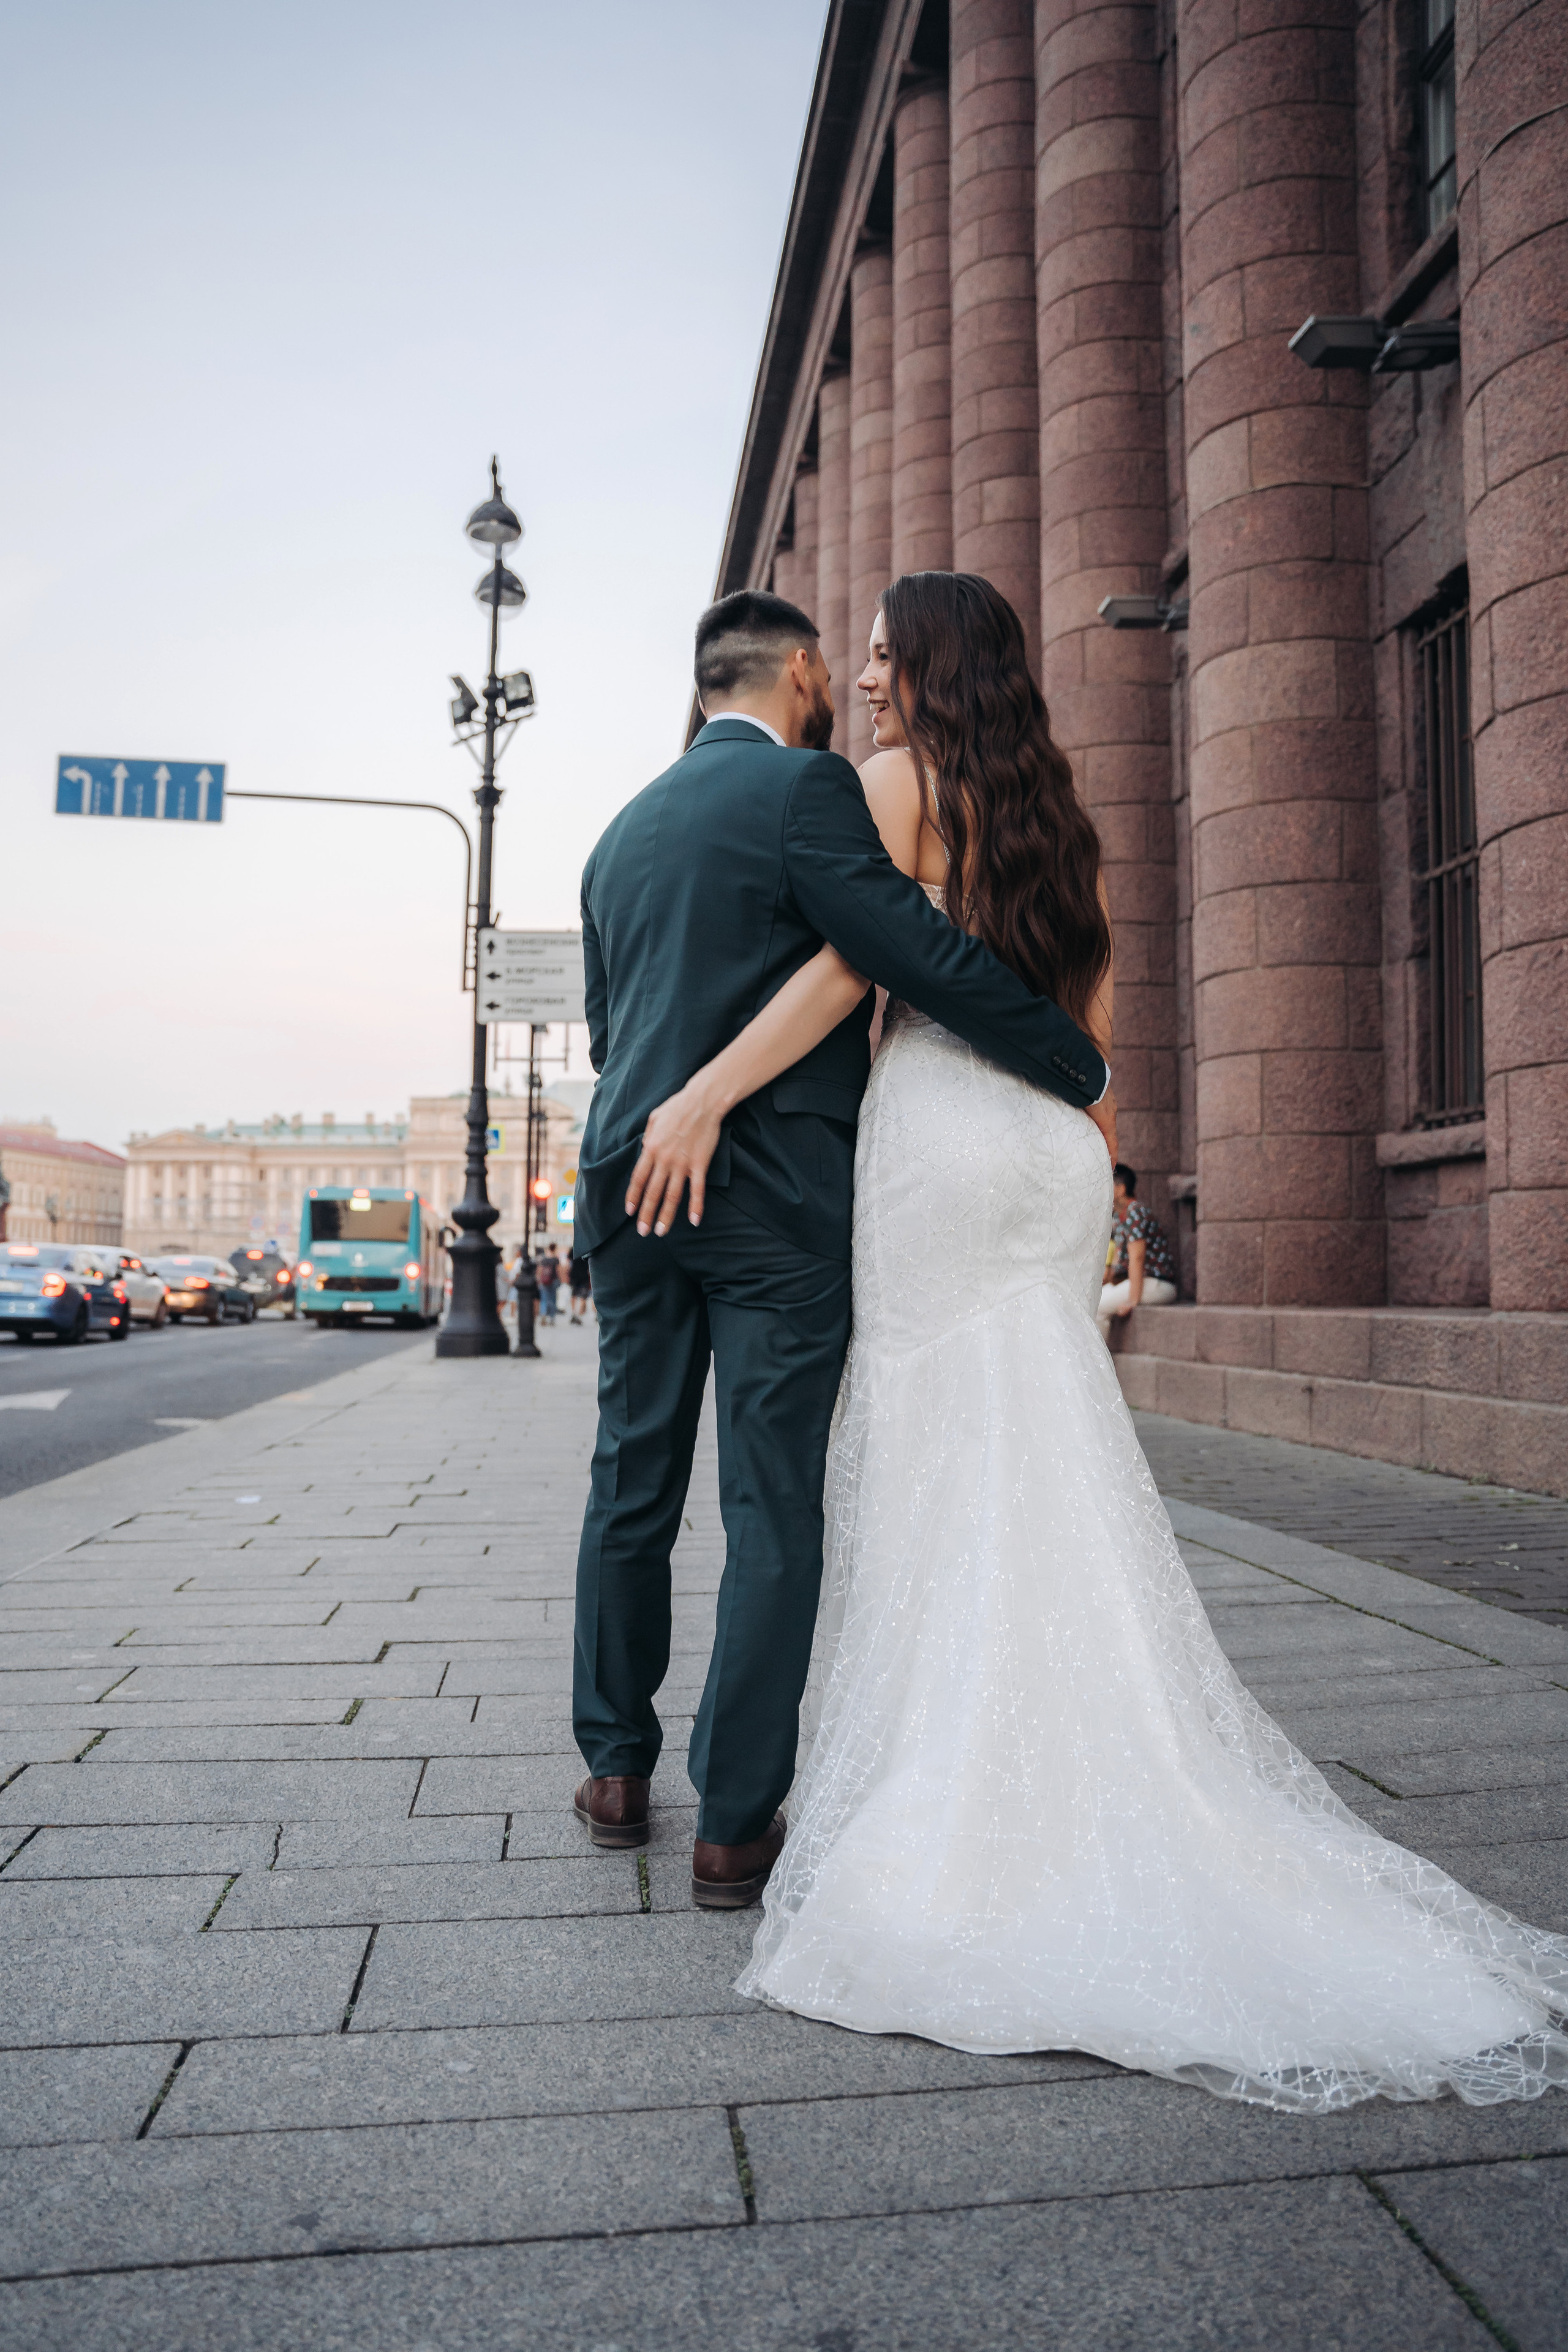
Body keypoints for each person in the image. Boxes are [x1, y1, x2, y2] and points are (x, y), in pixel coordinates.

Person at [631, 570, 1568, 2112]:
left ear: (931, 665)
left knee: (940, 1458)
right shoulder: (1057, 817)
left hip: (937, 1134)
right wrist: (1111, 1193)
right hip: (1050, 1155)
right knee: (1048, 1450)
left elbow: (852, 963)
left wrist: (705, 1089)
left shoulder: (887, 782)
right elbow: (1093, 1035)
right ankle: (1107, 1763)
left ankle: (964, 1805)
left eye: (878, 657)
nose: (859, 682)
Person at [570, 587, 1113, 1908]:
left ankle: (615, 1769)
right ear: (801, 671)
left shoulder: (615, 835)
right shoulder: (814, 796)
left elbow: (604, 1030)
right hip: (771, 1188)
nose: (857, 684)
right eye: (845, 663)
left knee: (629, 1473)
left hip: (627, 1174)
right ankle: (732, 1825)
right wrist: (1069, 1061)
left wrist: (667, 1106)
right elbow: (891, 951)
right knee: (768, 1502)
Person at [1097, 1162, 1177, 1338]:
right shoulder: (1119, 1216)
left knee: (1098, 1306)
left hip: (1158, 1284)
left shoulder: (1135, 1211)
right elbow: (1119, 1257)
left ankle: (1096, 1363)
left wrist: (1132, 1301)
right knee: (1092, 1301)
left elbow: (1138, 1257)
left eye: (1106, 1184)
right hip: (1139, 1282)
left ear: (1120, 1189)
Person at [567, 1250, 592, 1324]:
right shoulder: (586, 1249)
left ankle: (574, 1313)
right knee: (583, 1297)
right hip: (584, 1275)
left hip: (574, 1275)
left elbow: (569, 1263)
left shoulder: (573, 1249)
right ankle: (579, 1315)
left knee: (574, 1295)